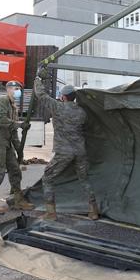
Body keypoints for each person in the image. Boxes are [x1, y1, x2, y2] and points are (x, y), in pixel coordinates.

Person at [33, 71, 98, 221]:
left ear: (63, 97)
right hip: (80, 151)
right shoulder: (82, 112)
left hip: (64, 151)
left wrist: (37, 79)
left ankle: (51, 213)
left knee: (48, 177)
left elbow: (41, 95)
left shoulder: (58, 107)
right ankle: (93, 210)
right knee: (84, 179)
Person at [0, 81, 35, 214]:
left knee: (15, 170)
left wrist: (19, 151)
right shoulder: (2, 100)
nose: (18, 91)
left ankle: (18, 200)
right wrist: (19, 124)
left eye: (20, 89)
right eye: (16, 89)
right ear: (8, 89)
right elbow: (0, 120)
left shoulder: (13, 107)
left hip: (6, 143)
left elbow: (13, 132)